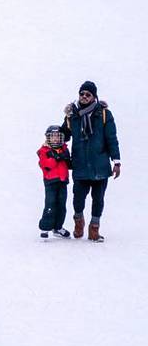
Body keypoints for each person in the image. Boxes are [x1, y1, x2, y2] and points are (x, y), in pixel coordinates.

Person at [61, 81, 120, 242]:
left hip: (99, 166)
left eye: (88, 94)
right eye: (82, 94)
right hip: (80, 164)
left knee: (98, 199)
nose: (84, 97)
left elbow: (111, 138)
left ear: (94, 96)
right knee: (77, 198)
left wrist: (117, 161)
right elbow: (63, 135)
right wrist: (53, 140)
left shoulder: (104, 114)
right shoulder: (72, 114)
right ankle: (78, 222)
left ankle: (94, 228)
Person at [38, 125, 71, 239]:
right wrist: (56, 157)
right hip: (50, 182)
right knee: (50, 204)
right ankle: (45, 228)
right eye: (53, 137)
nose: (56, 139)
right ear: (48, 138)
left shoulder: (64, 149)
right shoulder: (44, 150)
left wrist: (67, 157)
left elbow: (68, 164)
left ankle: (58, 227)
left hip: (62, 181)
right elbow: (46, 165)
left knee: (62, 205)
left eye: (58, 136)